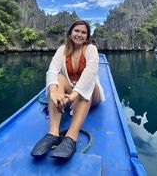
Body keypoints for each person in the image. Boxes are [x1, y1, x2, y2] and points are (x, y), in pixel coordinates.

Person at [31, 20, 105, 159]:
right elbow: (52, 70)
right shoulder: (62, 50)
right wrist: (53, 92)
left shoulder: (91, 49)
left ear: (87, 37)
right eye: (77, 31)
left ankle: (72, 137)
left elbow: (90, 72)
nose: (80, 34)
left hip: (90, 94)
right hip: (71, 89)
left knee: (88, 84)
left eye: (84, 32)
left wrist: (72, 96)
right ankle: (53, 133)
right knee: (58, 78)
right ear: (70, 34)